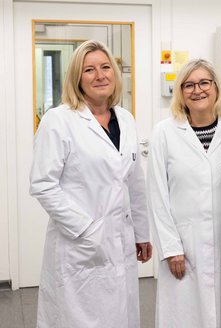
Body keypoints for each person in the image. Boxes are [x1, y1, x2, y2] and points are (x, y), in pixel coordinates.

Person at [29, 40, 152, 328]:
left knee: (120, 314)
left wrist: (142, 232)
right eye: (89, 70)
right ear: (77, 78)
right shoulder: (59, 120)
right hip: (79, 243)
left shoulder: (125, 118)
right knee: (79, 318)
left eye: (106, 67)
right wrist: (86, 228)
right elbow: (42, 184)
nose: (100, 75)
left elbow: (134, 181)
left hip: (120, 240)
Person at [147, 59, 221, 328]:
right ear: (180, 92)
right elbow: (157, 195)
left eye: (204, 83)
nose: (197, 90)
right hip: (184, 247)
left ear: (215, 87)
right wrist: (171, 248)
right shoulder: (164, 133)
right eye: (188, 85)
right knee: (184, 316)